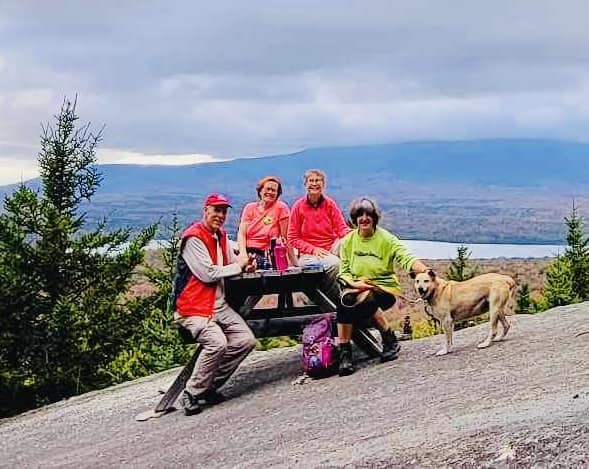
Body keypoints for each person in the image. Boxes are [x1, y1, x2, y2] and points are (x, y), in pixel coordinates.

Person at [171, 193, 257, 416]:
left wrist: (244, 265)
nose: (220, 215)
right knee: (217, 343)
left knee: (245, 340)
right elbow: (208, 274)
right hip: (193, 309)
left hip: (217, 305)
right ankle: (191, 392)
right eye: (216, 210)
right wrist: (238, 266)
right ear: (206, 210)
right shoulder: (193, 238)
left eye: (223, 211)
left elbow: (230, 263)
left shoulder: (219, 236)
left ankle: (208, 386)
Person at [336, 197, 429, 376]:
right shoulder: (348, 241)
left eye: (368, 215)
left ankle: (387, 339)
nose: (364, 219)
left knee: (367, 300)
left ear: (374, 218)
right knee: (344, 303)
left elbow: (405, 257)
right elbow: (344, 271)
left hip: (383, 289)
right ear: (354, 219)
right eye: (360, 215)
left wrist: (424, 270)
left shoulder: (386, 239)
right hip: (356, 288)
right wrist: (355, 283)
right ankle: (346, 352)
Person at [287, 169, 350, 302]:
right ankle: (332, 301)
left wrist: (356, 235)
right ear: (305, 184)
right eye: (311, 180)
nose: (314, 184)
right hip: (308, 254)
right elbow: (292, 237)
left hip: (330, 247)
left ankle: (354, 289)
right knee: (335, 264)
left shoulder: (330, 204)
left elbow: (341, 229)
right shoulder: (298, 207)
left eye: (318, 180)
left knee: (350, 245)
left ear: (323, 184)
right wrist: (313, 249)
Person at [237, 175, 294, 267]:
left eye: (274, 190)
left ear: (277, 194)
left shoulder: (281, 208)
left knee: (254, 264)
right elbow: (241, 234)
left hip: (267, 253)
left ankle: (249, 265)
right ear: (260, 191)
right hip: (247, 251)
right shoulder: (249, 208)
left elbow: (286, 238)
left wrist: (294, 263)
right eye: (267, 189)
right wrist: (243, 253)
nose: (270, 192)